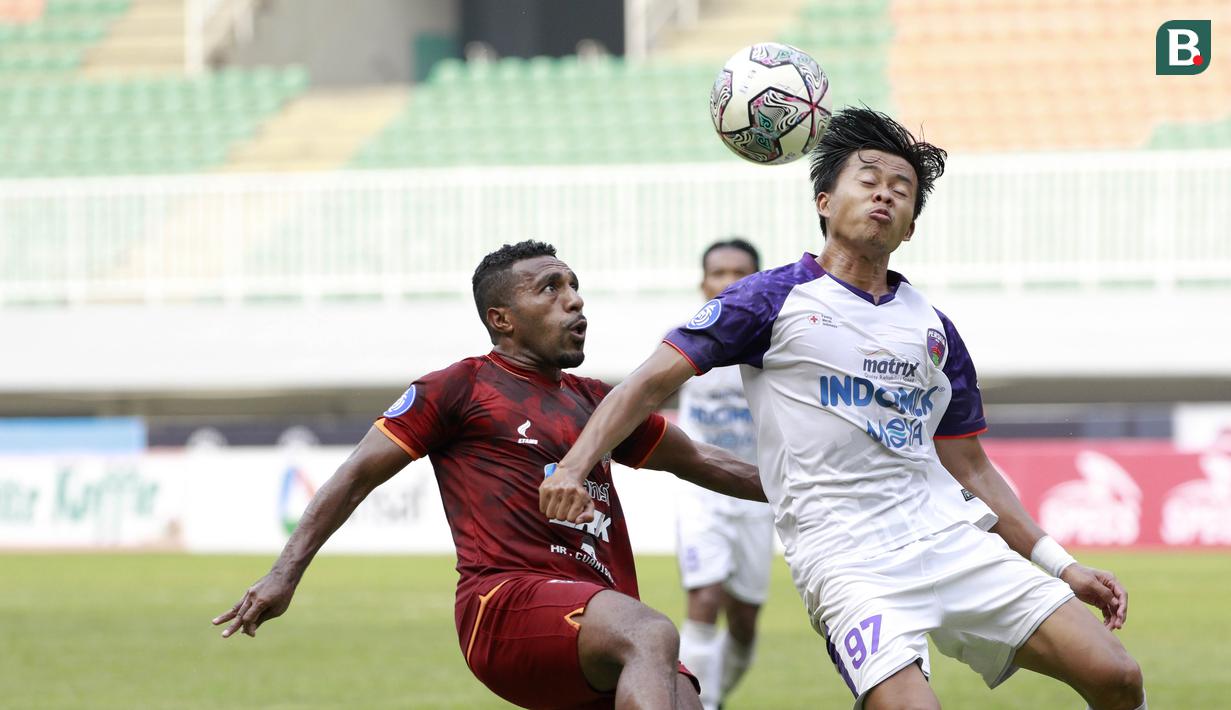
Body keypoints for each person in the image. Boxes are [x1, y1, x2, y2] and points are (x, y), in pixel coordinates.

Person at [540, 109, 1146, 710]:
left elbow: (974, 468)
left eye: (901, 189)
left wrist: (1061, 565)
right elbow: (644, 384)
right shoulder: (770, 299)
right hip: (847, 561)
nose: (885, 194)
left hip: (953, 540)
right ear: (825, 201)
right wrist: (571, 467)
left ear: (910, 227)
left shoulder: (935, 329)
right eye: (869, 180)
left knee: (1117, 675)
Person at [212, 240, 765, 710]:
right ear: (502, 319)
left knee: (682, 690)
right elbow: (356, 475)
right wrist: (284, 574)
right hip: (502, 605)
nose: (574, 300)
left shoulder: (598, 402)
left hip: (590, 619)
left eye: (574, 285)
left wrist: (824, 488)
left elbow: (703, 461)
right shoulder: (459, 388)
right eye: (550, 288)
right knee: (650, 633)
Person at [673, 238, 774, 710]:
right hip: (701, 494)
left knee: (745, 621)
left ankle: (712, 698)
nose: (729, 282)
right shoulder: (684, 343)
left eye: (740, 273)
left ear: (757, 280)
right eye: (719, 273)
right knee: (705, 599)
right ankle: (701, 704)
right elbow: (643, 397)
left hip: (757, 497)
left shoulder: (776, 347)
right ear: (703, 284)